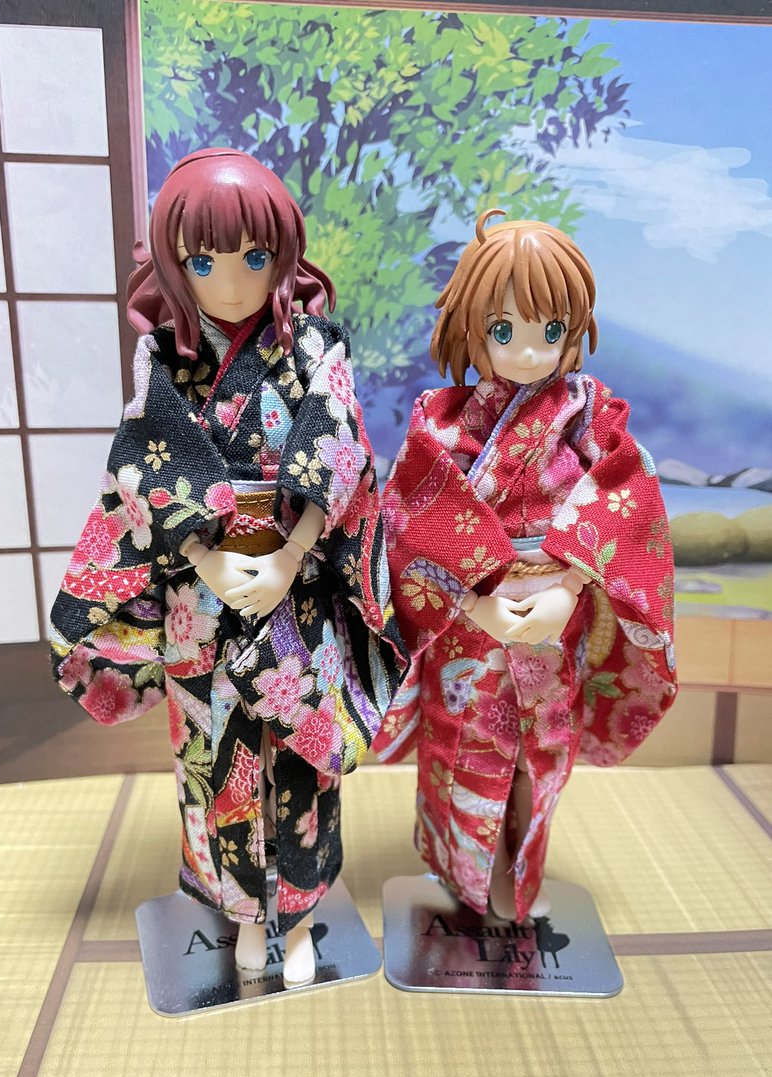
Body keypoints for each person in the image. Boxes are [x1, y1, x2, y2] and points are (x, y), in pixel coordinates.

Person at [50, 148, 404, 984]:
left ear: (285, 253)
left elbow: (340, 452)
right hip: (198, 603)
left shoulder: (315, 348)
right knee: (212, 759)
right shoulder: (164, 360)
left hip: (294, 593)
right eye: (204, 262)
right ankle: (236, 907)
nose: (235, 282)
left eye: (255, 256)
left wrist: (290, 556)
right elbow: (143, 468)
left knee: (302, 759)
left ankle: (301, 911)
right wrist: (204, 558)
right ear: (175, 265)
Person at [373, 209, 677, 921]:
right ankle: (463, 874)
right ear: (471, 328)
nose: (531, 351)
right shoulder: (441, 421)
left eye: (552, 330)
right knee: (465, 746)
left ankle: (521, 870)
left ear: (576, 330)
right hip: (469, 623)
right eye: (504, 331)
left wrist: (570, 586)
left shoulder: (592, 417)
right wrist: (475, 601)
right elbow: (411, 517)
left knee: (539, 751)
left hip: (553, 617)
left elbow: (627, 496)